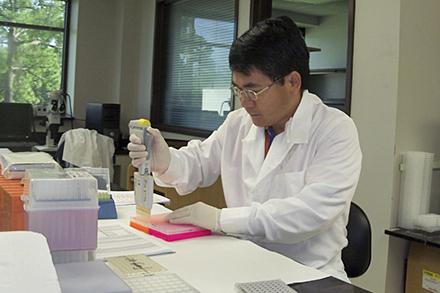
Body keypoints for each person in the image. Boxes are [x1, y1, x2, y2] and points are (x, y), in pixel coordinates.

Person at [128, 16, 362, 282]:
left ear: (293, 82)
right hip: (244, 264)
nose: (245, 102)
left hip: (310, 276)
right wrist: (164, 160)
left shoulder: (335, 130)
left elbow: (310, 213)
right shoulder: (239, 123)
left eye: (253, 90)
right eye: (238, 89)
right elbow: (197, 164)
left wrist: (221, 219)